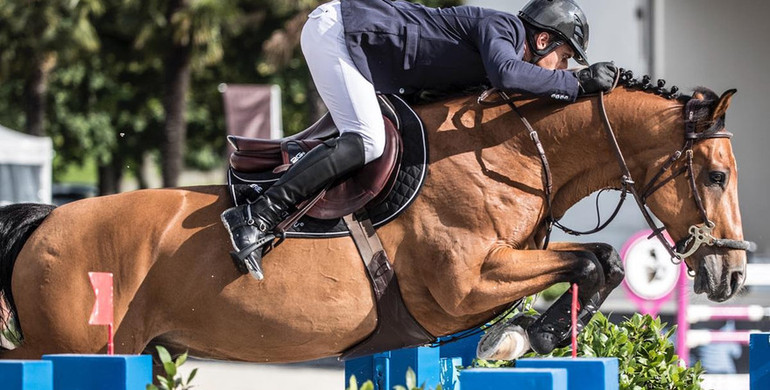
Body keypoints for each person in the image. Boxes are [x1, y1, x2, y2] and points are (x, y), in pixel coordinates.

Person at [221, 0, 618, 280]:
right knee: (367, 140)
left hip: (359, 49)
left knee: (375, 140)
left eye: (569, 65)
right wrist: (577, 82)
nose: (563, 68)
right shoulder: (504, 29)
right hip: (339, 32)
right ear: (544, 41)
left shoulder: (497, 51)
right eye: (565, 57)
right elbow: (510, 75)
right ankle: (256, 217)